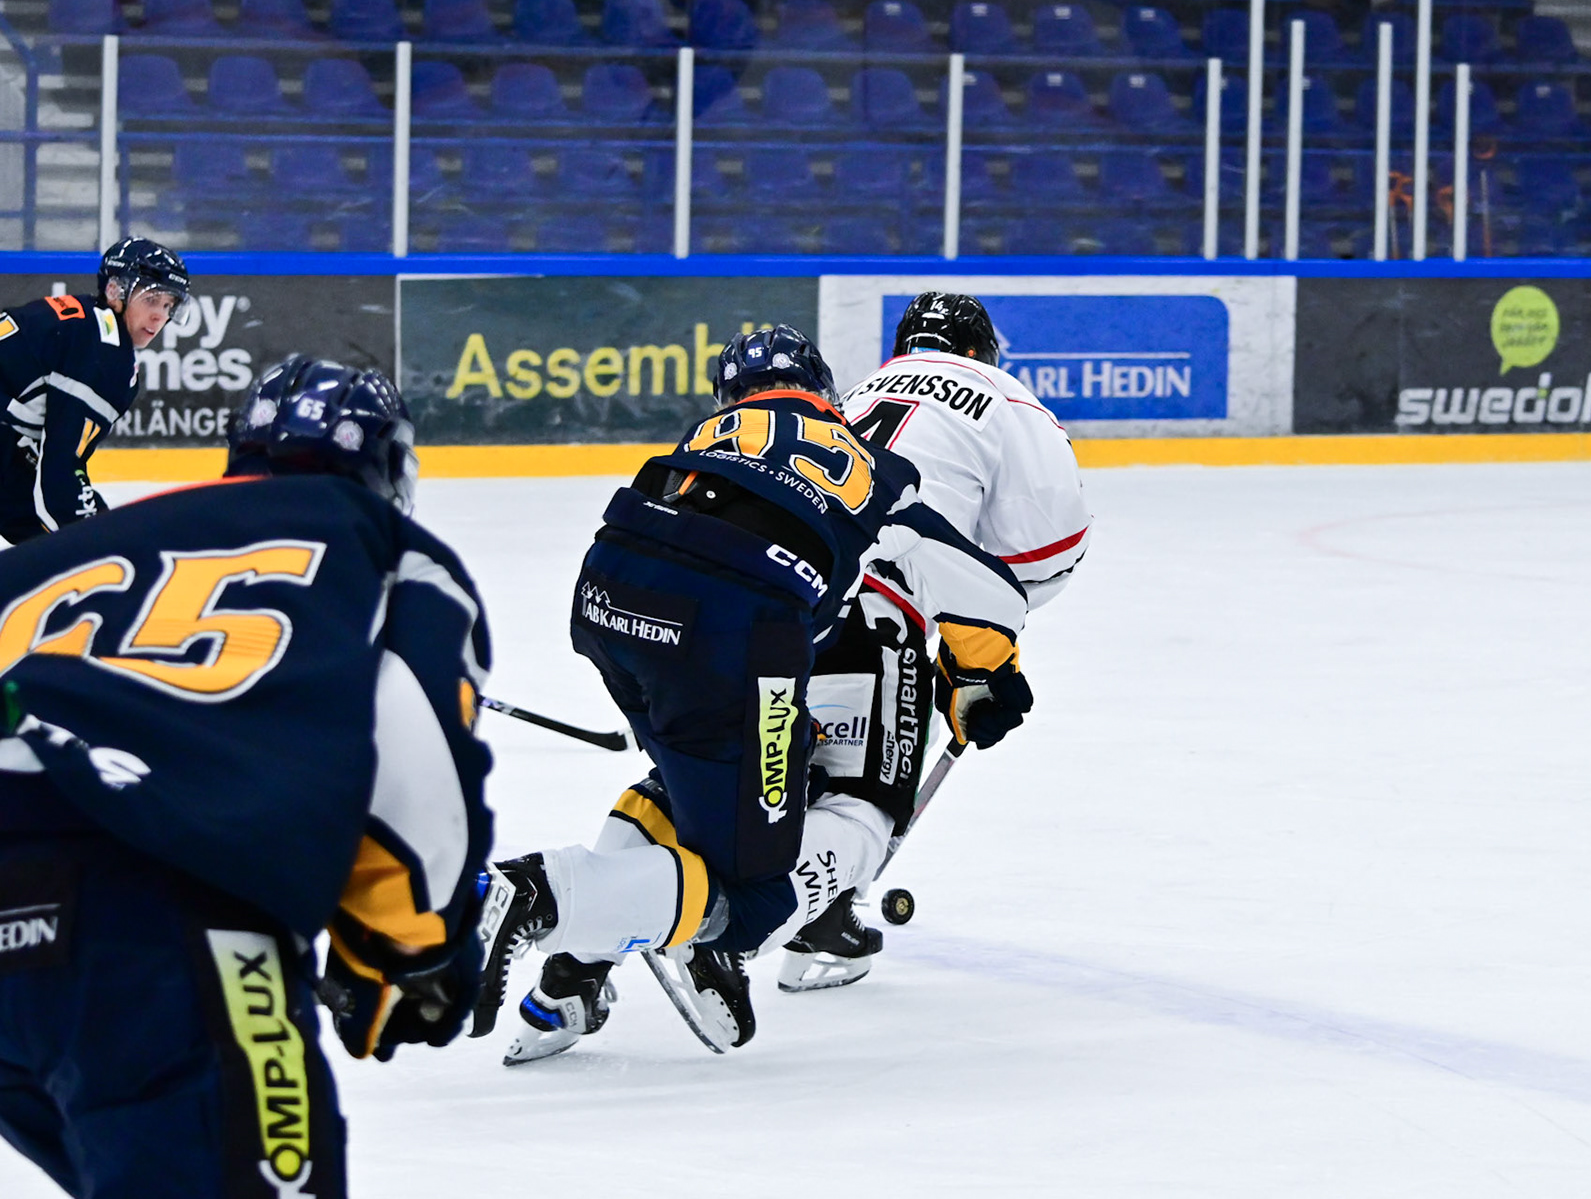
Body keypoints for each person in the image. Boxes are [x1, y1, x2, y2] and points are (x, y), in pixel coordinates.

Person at [0, 355, 495, 1199]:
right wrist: (411, 952)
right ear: (387, 464)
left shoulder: (62, 553)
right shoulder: (379, 549)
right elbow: (414, 765)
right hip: (164, 909)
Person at [475, 325, 1033, 1063]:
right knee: (754, 896)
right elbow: (989, 589)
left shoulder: (711, 438)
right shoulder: (878, 469)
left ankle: (570, 983)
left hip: (607, 600)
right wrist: (986, 675)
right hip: (735, 627)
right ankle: (538, 895)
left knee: (693, 777)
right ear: (828, 393)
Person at [778, 291, 1091, 991]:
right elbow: (1047, 552)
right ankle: (791, 910)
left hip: (777, 591)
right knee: (865, 798)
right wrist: (972, 654)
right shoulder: (1004, 396)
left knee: (777, 762)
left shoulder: (857, 393)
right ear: (983, 350)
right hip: (880, 608)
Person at [0, 237, 189, 543]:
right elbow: (61, 478)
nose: (160, 316)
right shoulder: (105, 350)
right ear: (115, 290)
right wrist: (103, 548)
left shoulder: (85, 323)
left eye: (169, 305)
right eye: (152, 299)